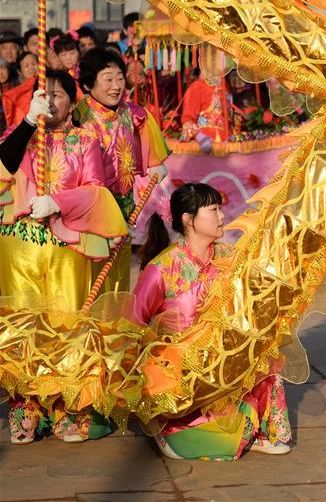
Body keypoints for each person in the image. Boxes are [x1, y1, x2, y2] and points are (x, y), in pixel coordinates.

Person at [1, 70, 127, 444]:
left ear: (73, 102)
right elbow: (3, 165)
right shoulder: (19, 135)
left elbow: (96, 192)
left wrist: (58, 200)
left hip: (65, 248)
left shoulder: (86, 141)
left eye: (59, 96)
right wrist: (26, 122)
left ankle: (68, 405)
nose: (51, 102)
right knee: (21, 324)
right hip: (20, 247)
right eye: (45, 95)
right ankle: (26, 404)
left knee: (68, 322)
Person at [126, 183, 291, 459]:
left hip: (223, 361)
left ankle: (261, 430)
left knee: (266, 349)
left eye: (220, 209)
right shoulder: (162, 269)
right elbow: (132, 324)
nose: (222, 216)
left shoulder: (229, 258)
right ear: (188, 219)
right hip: (181, 372)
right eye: (213, 210)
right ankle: (169, 423)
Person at [75, 48, 169, 291]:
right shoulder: (77, 116)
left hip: (125, 207)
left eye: (119, 77)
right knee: (92, 273)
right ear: (87, 85)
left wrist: (155, 163)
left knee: (119, 272)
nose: (116, 85)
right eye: (107, 79)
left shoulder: (131, 112)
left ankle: (116, 321)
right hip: (91, 210)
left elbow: (147, 133)